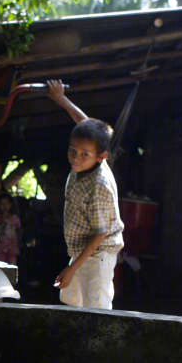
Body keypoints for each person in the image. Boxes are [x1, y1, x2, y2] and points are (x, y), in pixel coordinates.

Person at [46, 79, 124, 309]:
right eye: (73, 151)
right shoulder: (89, 152)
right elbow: (84, 122)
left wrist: (71, 268)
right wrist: (61, 99)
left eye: (84, 155)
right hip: (82, 252)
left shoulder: (98, 184)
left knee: (96, 309)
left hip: (98, 256)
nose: (76, 158)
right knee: (72, 302)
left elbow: (100, 233)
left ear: (102, 157)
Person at [0, 192, 22, 265]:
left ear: (11, 204)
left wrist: (19, 243)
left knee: (12, 266)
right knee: (0, 266)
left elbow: (19, 231)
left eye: (7, 203)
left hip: (12, 247)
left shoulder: (14, 218)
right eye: (2, 204)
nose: (4, 206)